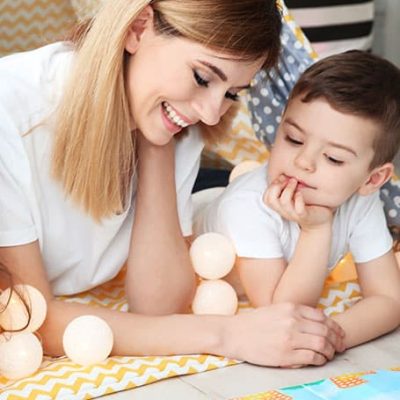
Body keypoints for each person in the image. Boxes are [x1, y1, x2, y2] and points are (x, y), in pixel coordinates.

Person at [0, 0, 345, 367]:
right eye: (202, 77)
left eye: (231, 93)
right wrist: (229, 334)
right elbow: (27, 317)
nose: (211, 111)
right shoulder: (13, 109)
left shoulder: (176, 120)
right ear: (137, 28)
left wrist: (157, 144)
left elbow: (160, 304)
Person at [196, 50, 400, 351]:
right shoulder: (246, 208)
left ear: (371, 180)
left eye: (333, 158)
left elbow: (390, 299)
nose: (303, 161)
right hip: (198, 203)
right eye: (293, 139)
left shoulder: (359, 200)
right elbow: (282, 314)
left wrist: (333, 335)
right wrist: (315, 231)